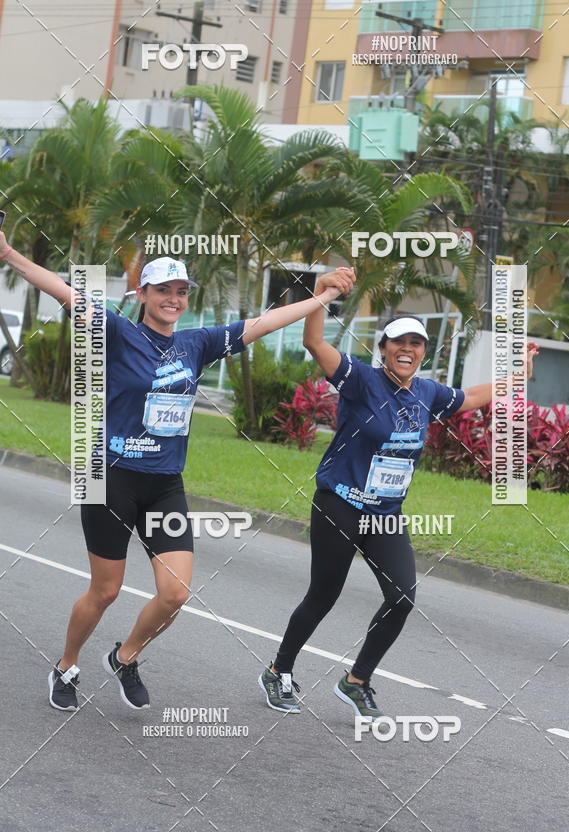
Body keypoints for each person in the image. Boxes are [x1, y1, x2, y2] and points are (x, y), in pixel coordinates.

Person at [0, 223, 355, 711]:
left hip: (164, 484)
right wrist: (9, 253)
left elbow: (267, 322)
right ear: (142, 294)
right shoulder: (119, 332)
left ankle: (125, 657)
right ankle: (66, 666)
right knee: (105, 591)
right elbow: (65, 290)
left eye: (181, 291)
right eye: (162, 289)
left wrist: (321, 296)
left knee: (175, 594)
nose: (173, 298)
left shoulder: (197, 344)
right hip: (108, 477)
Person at [259, 288, 539, 719]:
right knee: (324, 594)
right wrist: (321, 294)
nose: (407, 350)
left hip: (385, 514)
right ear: (384, 348)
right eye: (399, 342)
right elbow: (314, 342)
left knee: (402, 596)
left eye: (416, 343)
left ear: (423, 352)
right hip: (340, 504)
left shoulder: (427, 394)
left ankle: (356, 681)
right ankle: (279, 671)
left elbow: (472, 397)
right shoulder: (361, 379)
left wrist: (516, 377)